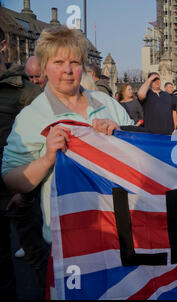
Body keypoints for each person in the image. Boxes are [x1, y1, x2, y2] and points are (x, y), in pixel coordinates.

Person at [1, 26, 134, 258]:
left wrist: (122, 134)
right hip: (69, 241)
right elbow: (12, 179)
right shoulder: (32, 116)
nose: (68, 71)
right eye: (58, 62)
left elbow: (140, 151)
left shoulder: (108, 103)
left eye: (74, 62)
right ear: (44, 67)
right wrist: (47, 159)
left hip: (120, 230)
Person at [0, 27, 45, 300]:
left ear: (3, 46)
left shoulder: (26, 91)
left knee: (38, 259)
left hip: (21, 191)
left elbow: (45, 139)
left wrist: (25, 190)